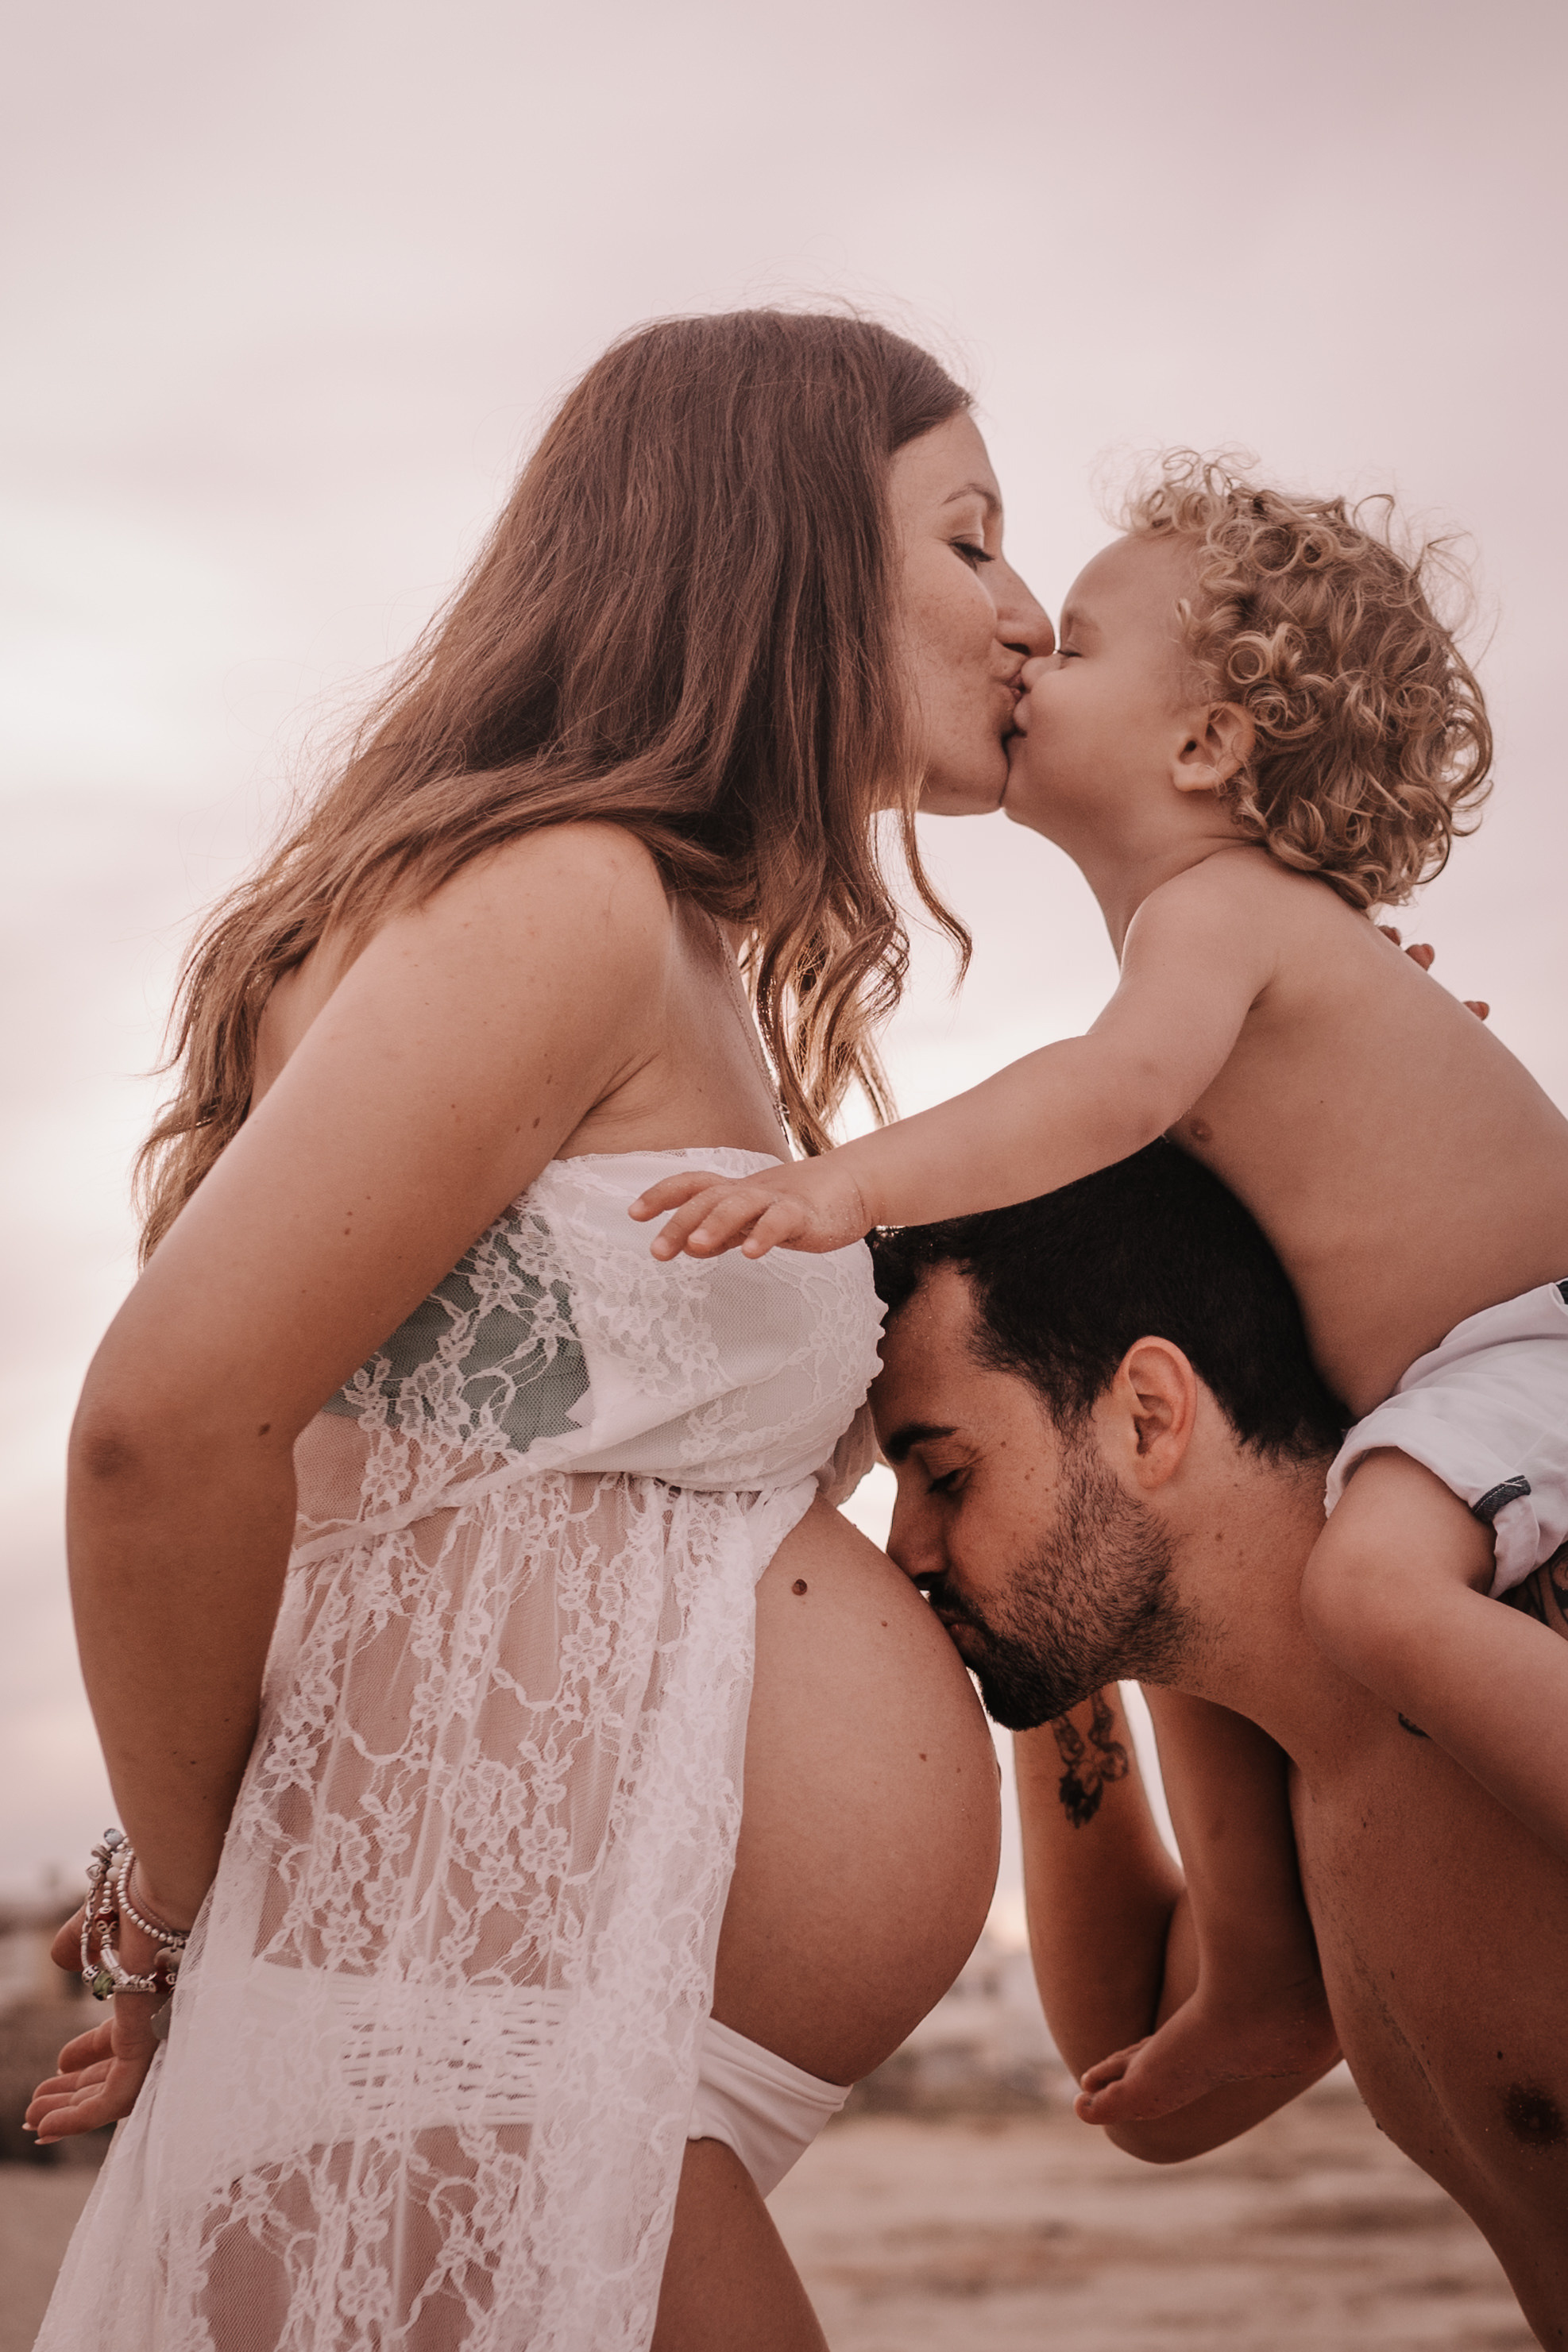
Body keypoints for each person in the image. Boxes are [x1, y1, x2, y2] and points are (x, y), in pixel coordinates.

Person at [25, 310, 1050, 2352]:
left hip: (554, 2049)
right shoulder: (569, 897)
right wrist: (179, 1926)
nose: (1030, 613)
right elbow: (159, 1426)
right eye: (972, 539)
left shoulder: (662, 948)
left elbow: (577, 1469)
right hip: (467, 2056)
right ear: (780, 559)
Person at [631, 453, 1568, 2120]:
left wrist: (838, 1179)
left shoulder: (1217, 926)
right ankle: (1270, 1977)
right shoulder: (1269, 1701)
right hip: (1448, 1395)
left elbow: (1104, 1089)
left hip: (1522, 1351)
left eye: (942, 1472)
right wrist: (1033, 1621)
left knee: (1376, 1590)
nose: (908, 1550)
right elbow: (1129, 2035)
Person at [867, 1145, 1568, 2348]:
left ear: (1149, 1414)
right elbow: (1145, 2069)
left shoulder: (1516, 1627)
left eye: (942, 1474)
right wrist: (1044, 1658)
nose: (902, 1552)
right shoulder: (1303, 1767)